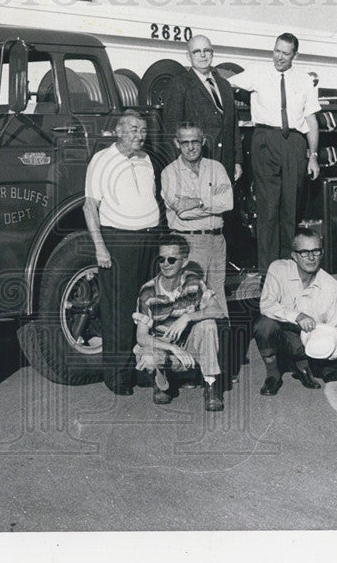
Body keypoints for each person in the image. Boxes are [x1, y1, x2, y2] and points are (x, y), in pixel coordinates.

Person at [228, 33, 321, 272]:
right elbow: (225, 82)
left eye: (285, 53)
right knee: (267, 209)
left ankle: (288, 269)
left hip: (294, 143)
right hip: (265, 141)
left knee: (289, 210)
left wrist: (313, 156)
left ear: (295, 55)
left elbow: (311, 119)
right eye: (277, 51)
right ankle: (267, 271)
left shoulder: (304, 80)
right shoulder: (258, 73)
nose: (279, 57)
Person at [83, 110, 160, 396]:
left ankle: (141, 370)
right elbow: (89, 207)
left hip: (148, 239)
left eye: (142, 130)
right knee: (119, 309)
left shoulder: (146, 159)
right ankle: (117, 377)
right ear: (118, 131)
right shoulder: (102, 160)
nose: (139, 135)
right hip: (119, 242)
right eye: (133, 129)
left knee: (144, 308)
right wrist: (100, 247)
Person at [253, 229, 337, 395]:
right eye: (304, 252)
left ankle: (305, 367)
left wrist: (334, 344)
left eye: (316, 251)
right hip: (283, 335)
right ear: (294, 255)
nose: (311, 257)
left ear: (322, 253)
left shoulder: (331, 285)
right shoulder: (278, 269)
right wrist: (297, 316)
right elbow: (266, 304)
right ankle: (273, 374)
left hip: (309, 340)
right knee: (264, 325)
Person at [133, 235, 225, 411]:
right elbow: (141, 337)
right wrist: (173, 348)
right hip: (164, 348)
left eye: (171, 259)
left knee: (208, 324)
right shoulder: (148, 291)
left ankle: (211, 385)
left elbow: (217, 311)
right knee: (148, 357)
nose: (165, 264)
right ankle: (161, 381)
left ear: (183, 262)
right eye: (161, 258)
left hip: (189, 346)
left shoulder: (193, 282)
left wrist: (187, 318)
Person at [160, 121, 234, 319]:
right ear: (177, 143)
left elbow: (228, 203)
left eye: (195, 141)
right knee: (192, 298)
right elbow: (182, 213)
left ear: (203, 141)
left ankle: (220, 347)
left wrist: (197, 202)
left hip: (217, 242)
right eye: (185, 143)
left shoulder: (216, 168)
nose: (190, 147)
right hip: (188, 242)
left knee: (217, 298)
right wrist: (211, 206)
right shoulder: (169, 173)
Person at [162, 35, 242, 184]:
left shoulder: (224, 86)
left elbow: (233, 126)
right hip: (196, 164)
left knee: (224, 204)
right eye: (197, 51)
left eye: (207, 50)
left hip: (226, 163)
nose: (203, 55)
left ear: (212, 53)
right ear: (188, 56)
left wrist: (237, 161)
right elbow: (172, 130)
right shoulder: (179, 85)